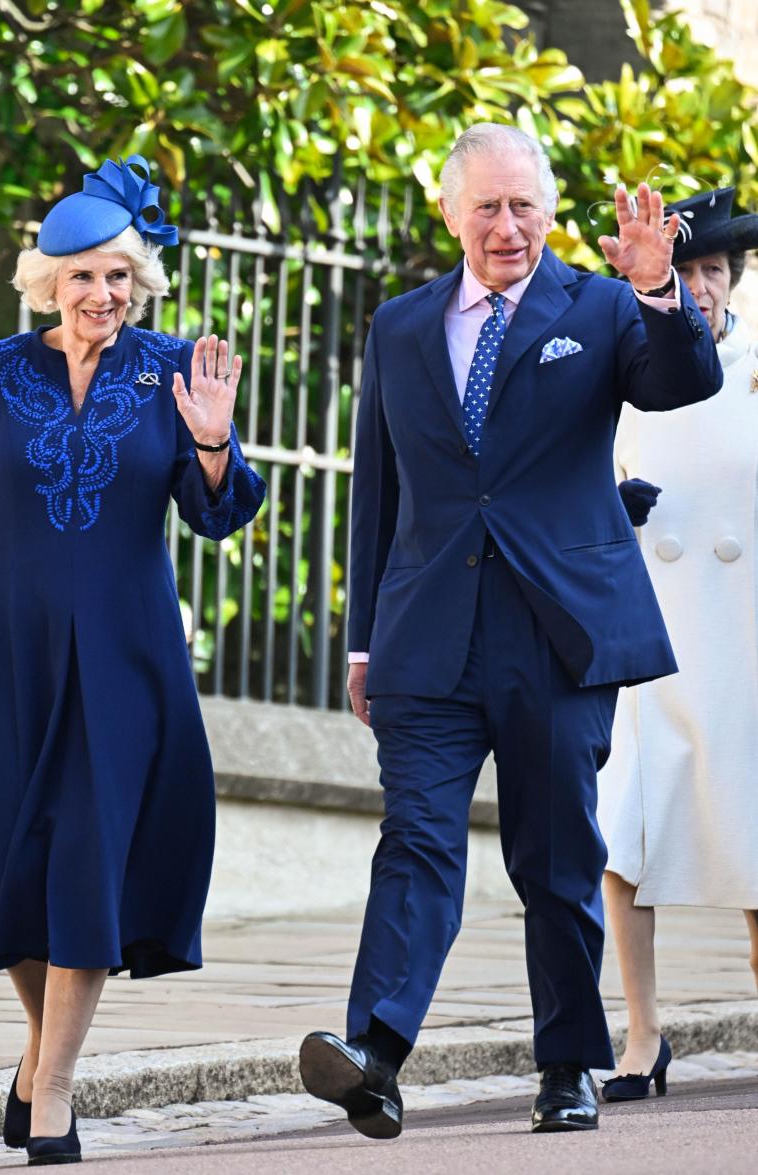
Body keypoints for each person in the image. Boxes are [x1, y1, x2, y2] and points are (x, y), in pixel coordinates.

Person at [297, 123, 722, 1139]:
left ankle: (566, 1060)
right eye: (486, 205)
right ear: (450, 213)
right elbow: (378, 488)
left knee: (556, 854)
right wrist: (362, 641)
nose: (507, 225)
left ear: (547, 208)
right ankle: (376, 1054)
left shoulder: (600, 305)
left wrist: (661, 291)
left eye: (523, 204)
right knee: (417, 841)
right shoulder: (400, 327)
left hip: (559, 631)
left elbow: (681, 381)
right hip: (428, 636)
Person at [0, 156, 265, 1166]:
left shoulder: (171, 369)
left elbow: (220, 515)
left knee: (89, 869)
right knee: (18, 872)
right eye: (81, 277)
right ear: (45, 283)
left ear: (138, 281)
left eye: (117, 276)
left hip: (126, 656)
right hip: (8, 655)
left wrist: (216, 444)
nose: (101, 294)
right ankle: (34, 1058)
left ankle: (52, 1092)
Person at [598, 186, 758, 1101]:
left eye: (713, 270)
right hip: (652, 618)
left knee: (750, 833)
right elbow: (585, 458)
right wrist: (606, 510)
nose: (699, 287)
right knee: (628, 834)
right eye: (686, 269)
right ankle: (642, 1035)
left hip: (741, 623)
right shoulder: (628, 357)